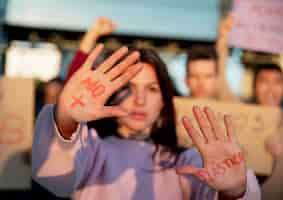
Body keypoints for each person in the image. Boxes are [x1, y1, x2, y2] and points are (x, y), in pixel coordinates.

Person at [32, 44, 260, 199]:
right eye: (128, 88)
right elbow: (55, 179)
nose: (139, 100)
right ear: (108, 93)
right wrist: (65, 120)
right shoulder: (92, 148)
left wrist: (234, 192)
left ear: (164, 100)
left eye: (151, 89)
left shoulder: (187, 161)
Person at [65, 17, 116, 81]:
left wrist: (93, 32)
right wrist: (93, 32)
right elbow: (81, 56)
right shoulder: (76, 82)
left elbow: (82, 55)